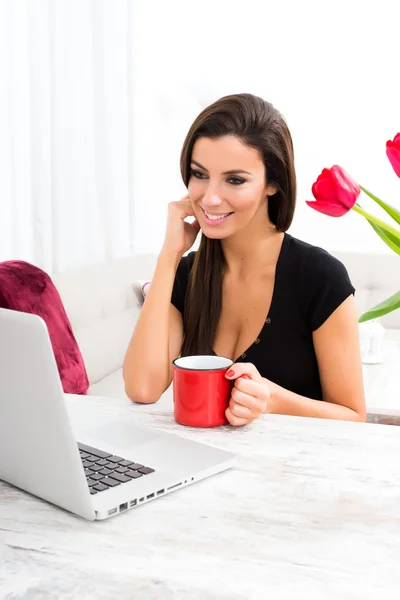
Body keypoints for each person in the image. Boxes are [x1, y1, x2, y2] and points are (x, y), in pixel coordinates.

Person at [123, 93, 366, 424]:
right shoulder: (186, 275)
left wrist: (273, 399)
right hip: (201, 470)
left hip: (292, 471)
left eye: (235, 180)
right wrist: (169, 255)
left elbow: (353, 417)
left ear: (272, 184)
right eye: (199, 174)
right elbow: (142, 389)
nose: (210, 198)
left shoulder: (319, 277)